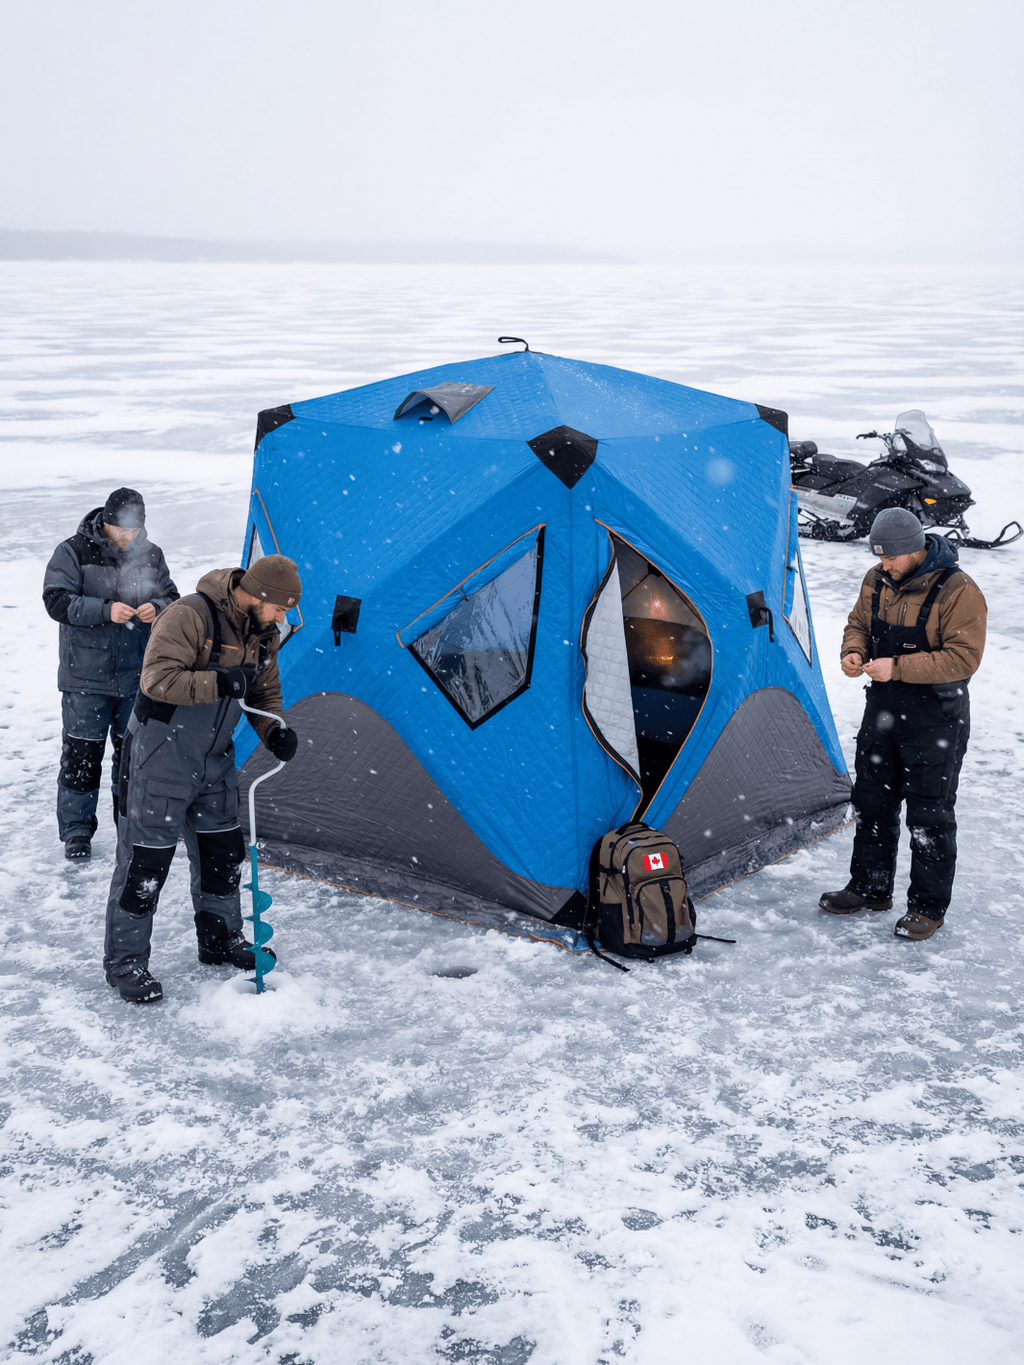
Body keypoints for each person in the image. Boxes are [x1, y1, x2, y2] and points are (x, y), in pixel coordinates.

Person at [103, 554, 302, 1003]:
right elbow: (156, 681)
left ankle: (219, 941)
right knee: (144, 867)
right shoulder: (190, 614)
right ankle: (126, 963)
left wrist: (274, 730)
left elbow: (263, 689)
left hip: (214, 760)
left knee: (222, 857)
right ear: (256, 595)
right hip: (160, 756)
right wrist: (219, 682)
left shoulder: (263, 631)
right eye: (278, 607)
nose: (281, 617)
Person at [820, 508, 986, 940]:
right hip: (882, 712)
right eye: (878, 556)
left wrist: (897, 666)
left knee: (929, 815)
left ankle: (928, 908)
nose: (883, 564)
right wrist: (853, 651)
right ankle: (870, 888)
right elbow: (858, 623)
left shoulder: (958, 590)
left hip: (935, 720)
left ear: (915, 549)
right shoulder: (876, 580)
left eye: (891, 557)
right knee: (872, 801)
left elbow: (964, 658)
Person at [42, 488, 179, 860]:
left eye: (136, 530)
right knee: (81, 756)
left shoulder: (152, 555)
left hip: (136, 677)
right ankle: (76, 832)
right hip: (84, 678)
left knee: (132, 757)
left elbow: (173, 598)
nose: (129, 537)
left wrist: (157, 608)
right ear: (106, 520)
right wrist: (105, 610)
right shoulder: (72, 550)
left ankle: (129, 825)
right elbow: (56, 600)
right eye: (123, 529)